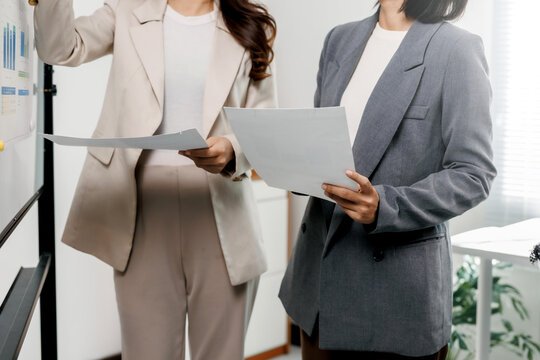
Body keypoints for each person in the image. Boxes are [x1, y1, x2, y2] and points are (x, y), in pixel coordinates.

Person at [32, 0, 276, 358]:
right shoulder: (126, 9)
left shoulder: (253, 23)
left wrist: (231, 150)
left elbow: (265, 124)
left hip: (221, 211)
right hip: (139, 209)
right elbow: (59, 48)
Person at [279, 0, 496, 359]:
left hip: (396, 295)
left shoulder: (456, 49)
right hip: (319, 285)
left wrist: (385, 206)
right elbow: (325, 144)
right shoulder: (340, 39)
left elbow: (474, 174)